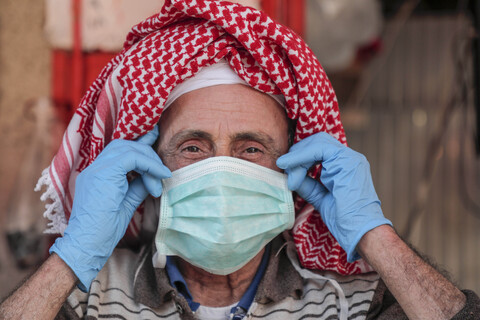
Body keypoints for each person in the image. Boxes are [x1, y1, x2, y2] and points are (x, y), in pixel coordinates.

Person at [1, 1, 479, 319]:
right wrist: (75, 255)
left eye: (252, 148)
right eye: (194, 147)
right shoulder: (91, 300)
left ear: (292, 169)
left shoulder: (348, 301)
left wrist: (377, 238)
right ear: (145, 168)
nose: (223, 168)